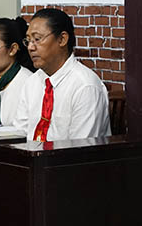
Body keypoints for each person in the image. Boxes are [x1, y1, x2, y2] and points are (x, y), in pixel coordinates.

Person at [14, 8, 111, 141]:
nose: (31, 47)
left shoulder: (85, 86)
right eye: (28, 40)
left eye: (37, 39)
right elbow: (21, 133)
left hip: (68, 160)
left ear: (62, 39)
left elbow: (81, 148)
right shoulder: (32, 82)